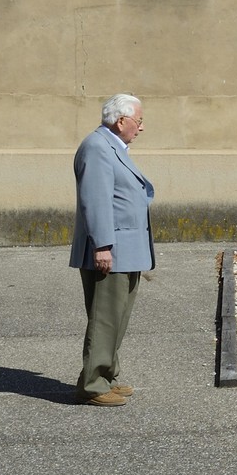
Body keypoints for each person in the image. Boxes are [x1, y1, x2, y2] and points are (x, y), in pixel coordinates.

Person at [69, 93, 155, 407]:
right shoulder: (97, 147)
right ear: (121, 121)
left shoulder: (112, 147)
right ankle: (93, 385)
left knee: (117, 317)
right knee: (105, 318)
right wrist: (103, 246)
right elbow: (96, 200)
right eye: (139, 121)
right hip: (111, 250)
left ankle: (106, 375)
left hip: (126, 249)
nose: (141, 128)